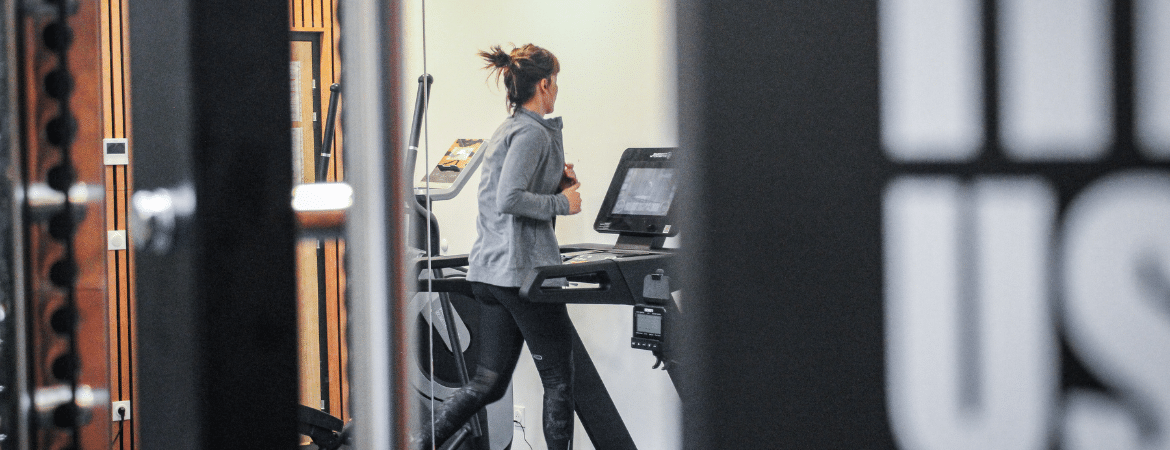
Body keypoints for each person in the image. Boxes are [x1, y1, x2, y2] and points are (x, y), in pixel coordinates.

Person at [416, 43, 582, 450]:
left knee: (487, 383)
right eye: (555, 82)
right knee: (559, 383)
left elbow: (508, 194)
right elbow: (510, 198)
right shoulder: (529, 132)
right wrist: (564, 202)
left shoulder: (509, 129)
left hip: (491, 274)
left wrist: (554, 182)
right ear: (544, 84)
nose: (556, 90)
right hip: (522, 275)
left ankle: (418, 445)